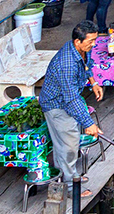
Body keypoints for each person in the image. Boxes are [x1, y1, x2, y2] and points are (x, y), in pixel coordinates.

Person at [41, 21, 102, 191]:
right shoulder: (66, 63)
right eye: (90, 41)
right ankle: (68, 186)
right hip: (56, 104)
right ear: (78, 41)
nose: (93, 44)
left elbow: (86, 65)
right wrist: (89, 124)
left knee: (72, 140)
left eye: (95, 40)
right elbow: (71, 99)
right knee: (68, 145)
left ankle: (73, 177)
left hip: (67, 99)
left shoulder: (81, 51)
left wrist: (93, 82)